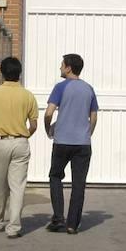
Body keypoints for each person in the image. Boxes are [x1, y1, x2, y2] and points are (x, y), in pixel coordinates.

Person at [0, 56, 38, 239]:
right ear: (19, 73)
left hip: (0, 142)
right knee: (18, 186)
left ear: (2, 73)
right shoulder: (28, 95)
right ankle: (14, 227)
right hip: (20, 143)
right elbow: (34, 125)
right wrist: (24, 135)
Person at [43, 53, 99, 234]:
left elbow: (49, 113)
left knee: (55, 176)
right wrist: (87, 133)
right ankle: (72, 224)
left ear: (68, 68)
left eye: (61, 65)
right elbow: (94, 116)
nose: (60, 68)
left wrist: (48, 129)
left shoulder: (60, 87)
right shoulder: (89, 89)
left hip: (62, 141)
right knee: (78, 183)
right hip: (82, 143)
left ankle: (58, 218)